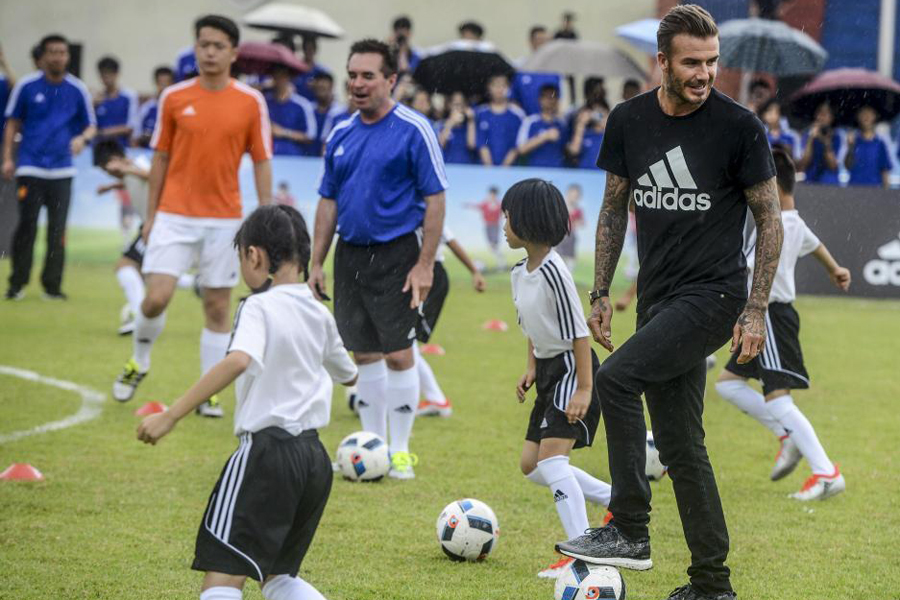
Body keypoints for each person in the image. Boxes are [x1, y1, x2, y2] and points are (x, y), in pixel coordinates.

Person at [555, 7, 784, 600]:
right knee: (683, 445)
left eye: (712, 62)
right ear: (662, 62)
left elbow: (770, 218)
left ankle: (629, 526)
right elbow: (612, 208)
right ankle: (712, 581)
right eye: (692, 63)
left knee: (615, 379)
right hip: (656, 299)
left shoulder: (739, 127)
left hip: (714, 296)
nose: (706, 73)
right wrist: (601, 291)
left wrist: (755, 308)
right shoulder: (629, 120)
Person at [136, 204, 357, 600]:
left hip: (266, 454)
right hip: (313, 460)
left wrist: (170, 416)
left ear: (254, 255)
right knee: (278, 577)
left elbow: (239, 359)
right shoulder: (319, 313)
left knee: (222, 578)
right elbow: (349, 373)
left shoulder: (257, 306)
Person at [112, 15, 273, 419]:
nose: (210, 52)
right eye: (203, 44)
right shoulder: (174, 97)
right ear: (195, 48)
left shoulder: (251, 102)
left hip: (225, 220)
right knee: (155, 298)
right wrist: (150, 216)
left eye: (218, 45)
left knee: (217, 307)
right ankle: (139, 360)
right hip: (173, 215)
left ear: (234, 53)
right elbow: (160, 160)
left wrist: (268, 217)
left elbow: (261, 160)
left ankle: (207, 394)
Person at [309, 39, 447, 480]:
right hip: (349, 255)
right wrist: (315, 262)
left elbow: (436, 199)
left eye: (368, 75)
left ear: (391, 80)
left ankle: (402, 452)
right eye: (352, 74)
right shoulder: (341, 133)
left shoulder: (413, 129)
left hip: (398, 255)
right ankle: (374, 448)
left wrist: (424, 264)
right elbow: (327, 201)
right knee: (363, 354)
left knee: (400, 354)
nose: (357, 83)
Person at [715, 147, 848, 500]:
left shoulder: (771, 224)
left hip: (769, 315)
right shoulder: (795, 221)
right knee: (727, 385)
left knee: (778, 400)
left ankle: (826, 473)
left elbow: (744, 267)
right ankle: (788, 435)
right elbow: (817, 247)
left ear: (770, 186)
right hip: (771, 316)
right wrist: (835, 270)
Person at [504, 179, 609, 579]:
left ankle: (584, 554)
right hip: (548, 371)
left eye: (509, 216)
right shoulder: (519, 273)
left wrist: (584, 387)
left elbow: (579, 334)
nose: (504, 223)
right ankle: (616, 499)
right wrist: (531, 368)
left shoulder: (554, 272)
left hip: (571, 368)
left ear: (527, 221)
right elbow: (532, 326)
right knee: (533, 466)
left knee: (552, 459)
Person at [3, 33, 96, 301]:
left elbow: (90, 125)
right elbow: (12, 123)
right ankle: (17, 284)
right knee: (26, 228)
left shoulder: (77, 88)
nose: (58, 57)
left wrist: (82, 138)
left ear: (68, 56)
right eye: (52, 52)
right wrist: (8, 158)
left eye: (62, 52)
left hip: (62, 172)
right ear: (43, 56)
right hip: (30, 168)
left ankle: (52, 287)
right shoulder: (27, 86)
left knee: (58, 232)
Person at [415, 226, 486, 418]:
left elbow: (451, 241)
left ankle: (436, 400)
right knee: (400, 342)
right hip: (415, 275)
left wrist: (474, 272)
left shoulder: (426, 207)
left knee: (404, 342)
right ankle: (431, 399)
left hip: (430, 277)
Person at [94, 139, 151, 335]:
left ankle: (138, 318)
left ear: (116, 159)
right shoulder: (130, 171)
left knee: (125, 266)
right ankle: (198, 284)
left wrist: (126, 170)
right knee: (149, 274)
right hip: (151, 225)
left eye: (107, 168)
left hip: (157, 226)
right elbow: (131, 180)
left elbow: (153, 176)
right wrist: (111, 187)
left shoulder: (139, 164)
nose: (108, 172)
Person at [265, 65, 317, 157]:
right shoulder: (264, 102)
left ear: (288, 77)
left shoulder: (302, 105)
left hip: (293, 159)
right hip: (268, 155)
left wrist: (283, 132)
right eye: (276, 76)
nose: (279, 79)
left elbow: (310, 136)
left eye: (282, 76)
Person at [475, 74, 525, 167]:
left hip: (510, 170)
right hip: (484, 169)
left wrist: (503, 169)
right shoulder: (480, 113)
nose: (499, 89)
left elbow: (516, 145)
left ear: (509, 88)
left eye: (503, 85)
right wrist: (490, 168)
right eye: (495, 85)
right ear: (489, 88)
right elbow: (481, 144)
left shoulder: (517, 114)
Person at [516, 84, 567, 168]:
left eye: (553, 97)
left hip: (558, 172)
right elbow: (521, 149)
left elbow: (568, 149)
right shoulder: (530, 121)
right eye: (547, 97)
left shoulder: (561, 123)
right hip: (536, 171)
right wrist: (544, 136)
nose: (550, 101)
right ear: (540, 99)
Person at [94, 56, 138, 148]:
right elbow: (89, 124)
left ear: (117, 74)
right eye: (103, 75)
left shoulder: (129, 96)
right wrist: (93, 106)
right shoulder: (96, 98)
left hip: (121, 147)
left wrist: (103, 132)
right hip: (99, 147)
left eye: (109, 74)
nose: (106, 78)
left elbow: (130, 127)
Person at [844, 105, 891, 187]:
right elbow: (848, 166)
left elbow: (884, 170)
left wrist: (886, 192)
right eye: (863, 113)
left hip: (874, 189)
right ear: (858, 117)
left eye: (869, 113)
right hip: (854, 188)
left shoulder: (880, 143)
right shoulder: (852, 140)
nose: (866, 116)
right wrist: (850, 147)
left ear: (875, 116)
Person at [797, 102, 841, 185]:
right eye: (819, 113)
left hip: (830, 183)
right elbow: (804, 163)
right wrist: (810, 139)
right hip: (811, 181)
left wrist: (825, 142)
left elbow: (833, 166)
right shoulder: (807, 134)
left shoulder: (837, 136)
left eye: (825, 114)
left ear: (832, 117)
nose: (821, 117)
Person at [134, 66, 175, 148]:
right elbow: (136, 135)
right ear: (156, 83)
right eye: (161, 83)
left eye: (167, 83)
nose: (164, 87)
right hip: (147, 153)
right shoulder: (147, 107)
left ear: (173, 84)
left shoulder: (178, 108)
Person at [466, 186, 506, 271]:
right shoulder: (485, 203)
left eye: (493, 194)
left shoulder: (498, 204)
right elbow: (477, 206)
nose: (491, 196)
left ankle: (501, 263)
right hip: (487, 226)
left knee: (494, 245)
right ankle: (501, 262)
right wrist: (468, 205)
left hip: (495, 226)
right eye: (490, 194)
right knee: (492, 246)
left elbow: (504, 212)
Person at [309, 72, 345, 156]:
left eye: (324, 88)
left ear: (331, 86)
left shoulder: (340, 112)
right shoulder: (308, 109)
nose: (321, 92)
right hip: (306, 158)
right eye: (318, 88)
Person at [438, 92, 476, 165]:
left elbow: (471, 144)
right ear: (449, 105)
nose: (458, 108)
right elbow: (440, 145)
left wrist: (471, 121)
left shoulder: (469, 125)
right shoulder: (442, 125)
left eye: (461, 105)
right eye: (456, 104)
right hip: (448, 168)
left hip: (467, 168)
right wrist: (450, 123)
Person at [555, 183, 585, 272]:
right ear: (568, 194)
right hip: (559, 235)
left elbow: (582, 222)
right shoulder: (561, 206)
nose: (574, 197)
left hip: (571, 236)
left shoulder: (578, 210)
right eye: (572, 195)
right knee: (557, 256)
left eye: (576, 196)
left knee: (570, 258)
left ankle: (568, 276)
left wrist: (576, 221)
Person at [293, 36, 331, 102]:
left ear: (315, 50)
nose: (309, 52)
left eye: (311, 49)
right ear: (303, 50)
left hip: (316, 106)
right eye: (306, 49)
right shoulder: (296, 68)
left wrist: (317, 86)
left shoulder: (322, 71)